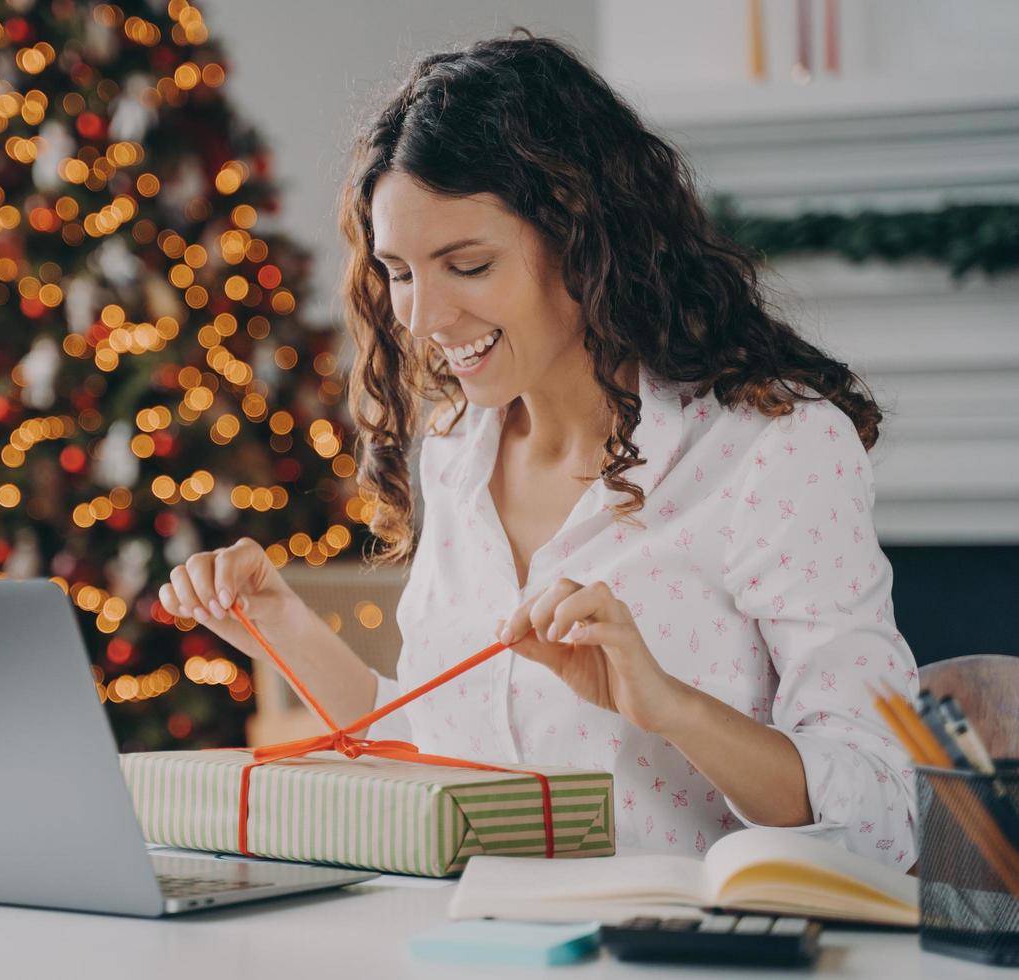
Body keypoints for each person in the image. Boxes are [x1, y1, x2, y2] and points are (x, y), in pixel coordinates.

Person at [157, 33, 917, 868]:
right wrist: (279, 624)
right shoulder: (454, 449)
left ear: (589, 243)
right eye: (401, 273)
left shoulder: (774, 449)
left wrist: (667, 706)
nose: (420, 320)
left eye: (468, 265)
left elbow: (883, 814)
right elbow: (440, 750)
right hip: (461, 939)